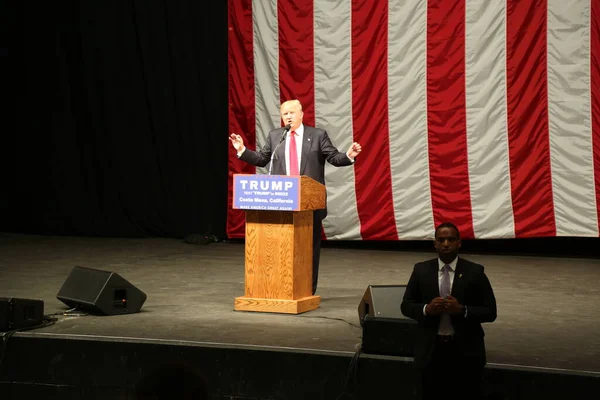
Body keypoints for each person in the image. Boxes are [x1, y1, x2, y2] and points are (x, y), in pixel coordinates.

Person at [229, 99, 362, 295]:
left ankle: (307, 290)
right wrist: (242, 150)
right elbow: (262, 159)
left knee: (308, 250)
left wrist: (348, 155)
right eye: (285, 114)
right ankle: (279, 287)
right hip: (281, 203)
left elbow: (334, 157)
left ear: (301, 114)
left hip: (309, 203)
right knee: (279, 249)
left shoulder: (317, 135)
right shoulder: (276, 136)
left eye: (292, 112)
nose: (288, 117)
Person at [401, 222, 497, 400]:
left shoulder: (475, 272)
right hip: (430, 351)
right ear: (435, 244)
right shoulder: (421, 270)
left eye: (451, 239)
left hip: (465, 353)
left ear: (459, 243)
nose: (446, 244)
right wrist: (426, 309)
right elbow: (406, 305)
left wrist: (462, 310)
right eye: (441, 240)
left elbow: (490, 311)